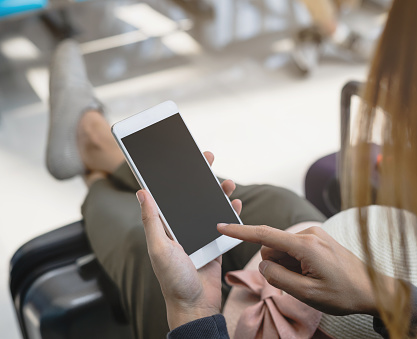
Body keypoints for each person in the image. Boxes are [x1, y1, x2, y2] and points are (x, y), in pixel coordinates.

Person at [137, 0, 417, 338]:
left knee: (134, 239)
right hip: (361, 273)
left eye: (414, 131)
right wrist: (383, 293)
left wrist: (190, 309)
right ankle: (119, 163)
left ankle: (106, 166)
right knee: (268, 198)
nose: (395, 149)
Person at [45, 40, 327, 339]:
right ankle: (95, 149)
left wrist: (191, 309)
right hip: (338, 255)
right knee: (270, 201)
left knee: (144, 246)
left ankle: (94, 157)